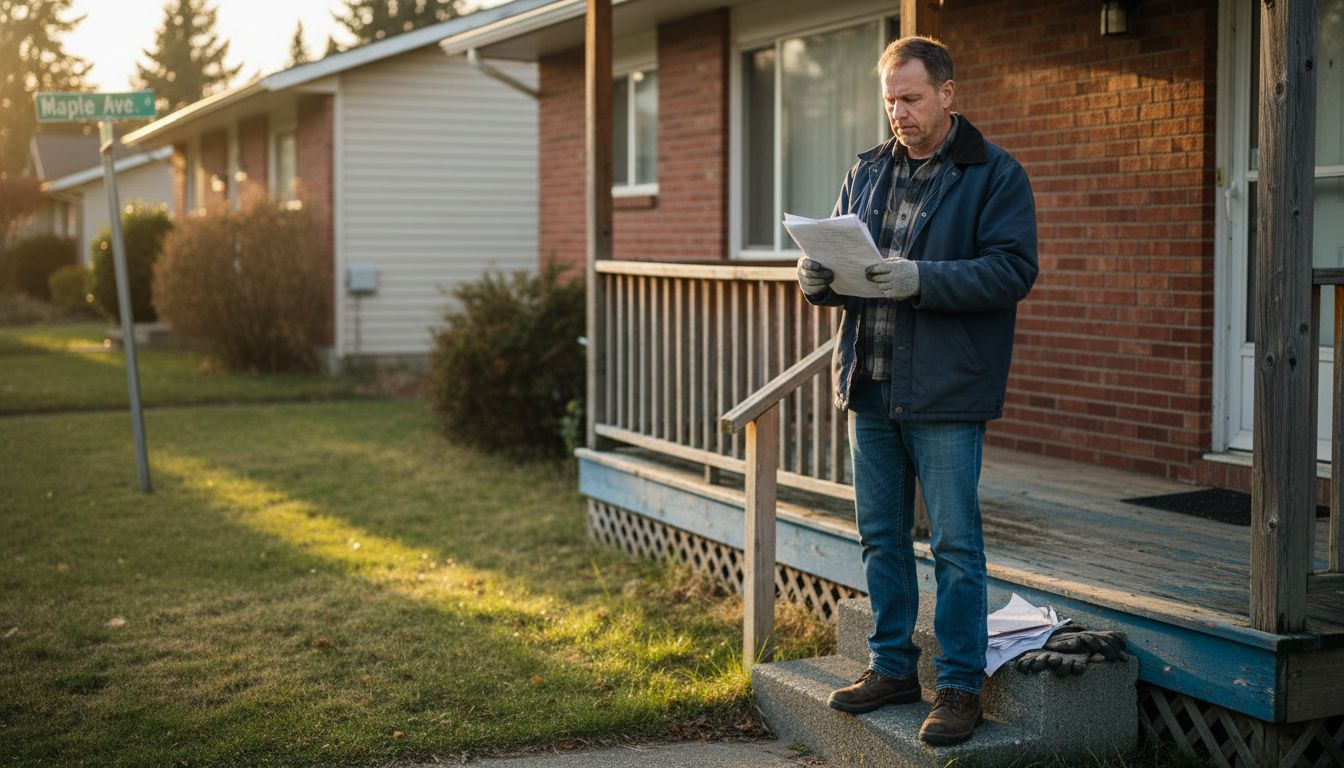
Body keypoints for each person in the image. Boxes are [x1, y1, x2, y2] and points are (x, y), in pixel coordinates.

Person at [796, 36, 1038, 745]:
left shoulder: (995, 175)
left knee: (956, 545)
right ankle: (893, 666)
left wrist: (923, 280)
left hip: (945, 390)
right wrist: (814, 281)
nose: (897, 113)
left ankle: (960, 685)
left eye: (910, 98)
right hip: (867, 382)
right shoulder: (867, 171)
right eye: (889, 101)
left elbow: (1012, 271)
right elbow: (839, 257)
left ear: (947, 94)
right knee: (881, 537)